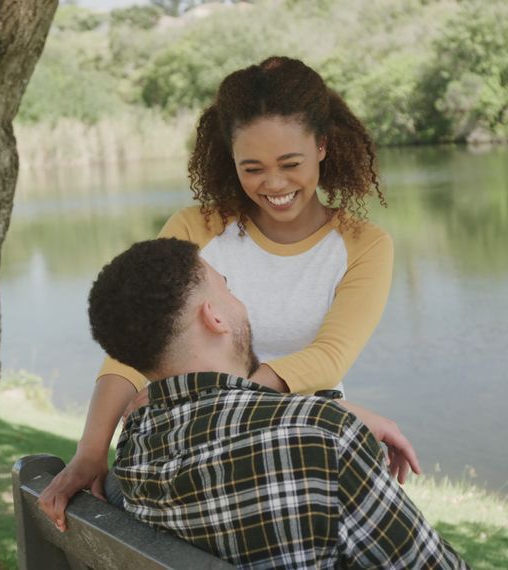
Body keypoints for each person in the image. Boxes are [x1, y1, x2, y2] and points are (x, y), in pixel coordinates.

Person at [40, 55, 394, 531]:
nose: (274, 183)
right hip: (201, 444)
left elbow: (330, 357)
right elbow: (136, 341)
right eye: (253, 168)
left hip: (301, 441)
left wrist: (210, 403)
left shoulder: (362, 245)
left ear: (324, 147)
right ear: (230, 159)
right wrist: (90, 450)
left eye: (291, 163)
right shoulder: (197, 228)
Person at [87, 238, 468, 569]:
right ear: (214, 317)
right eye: (227, 289)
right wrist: (327, 418)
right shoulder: (325, 442)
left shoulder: (135, 448)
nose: (238, 302)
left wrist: (323, 411)